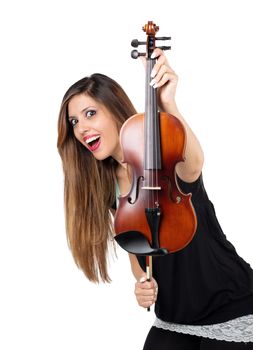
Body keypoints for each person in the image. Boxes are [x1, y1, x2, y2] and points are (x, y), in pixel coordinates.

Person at [57, 48, 253, 349]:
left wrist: (167, 103)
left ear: (114, 109)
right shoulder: (109, 187)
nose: (82, 128)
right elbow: (138, 248)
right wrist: (141, 282)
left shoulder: (163, 151)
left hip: (230, 303)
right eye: (74, 122)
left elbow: (194, 165)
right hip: (174, 316)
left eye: (90, 113)